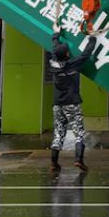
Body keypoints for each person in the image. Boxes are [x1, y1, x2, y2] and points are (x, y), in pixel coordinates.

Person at [46, 32, 94, 172]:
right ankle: (78, 160)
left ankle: (53, 163)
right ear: (67, 55)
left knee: (58, 133)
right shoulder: (73, 65)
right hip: (72, 104)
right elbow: (86, 54)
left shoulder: (53, 63)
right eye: (67, 51)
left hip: (57, 105)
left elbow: (56, 49)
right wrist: (92, 38)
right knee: (78, 133)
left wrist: (56, 36)